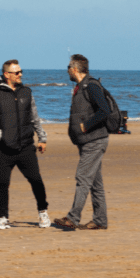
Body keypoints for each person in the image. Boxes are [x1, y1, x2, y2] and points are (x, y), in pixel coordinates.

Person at [0, 60, 50, 230]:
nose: (20, 74)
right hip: (4, 149)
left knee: (36, 180)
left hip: (26, 146)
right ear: (7, 75)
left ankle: (43, 212)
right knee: (3, 183)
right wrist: (3, 137)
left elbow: (35, 117)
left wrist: (42, 138)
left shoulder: (27, 92)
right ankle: (3, 217)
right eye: (17, 72)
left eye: (21, 71)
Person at [53, 54, 113, 231]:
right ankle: (100, 220)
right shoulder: (81, 86)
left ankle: (73, 217)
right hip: (88, 141)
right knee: (95, 182)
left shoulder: (91, 85)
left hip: (95, 140)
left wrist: (85, 125)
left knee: (83, 178)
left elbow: (105, 110)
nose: (67, 71)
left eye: (68, 68)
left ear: (74, 69)